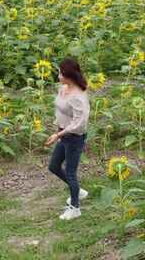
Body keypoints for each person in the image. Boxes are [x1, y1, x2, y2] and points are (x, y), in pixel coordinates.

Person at [45, 58, 90, 220]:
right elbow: (61, 111)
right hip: (63, 135)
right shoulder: (63, 89)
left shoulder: (78, 96)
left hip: (74, 138)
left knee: (70, 173)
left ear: (69, 75)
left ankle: (75, 208)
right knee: (54, 166)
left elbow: (79, 123)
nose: (58, 76)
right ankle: (77, 191)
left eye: (60, 73)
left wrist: (58, 135)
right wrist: (57, 130)